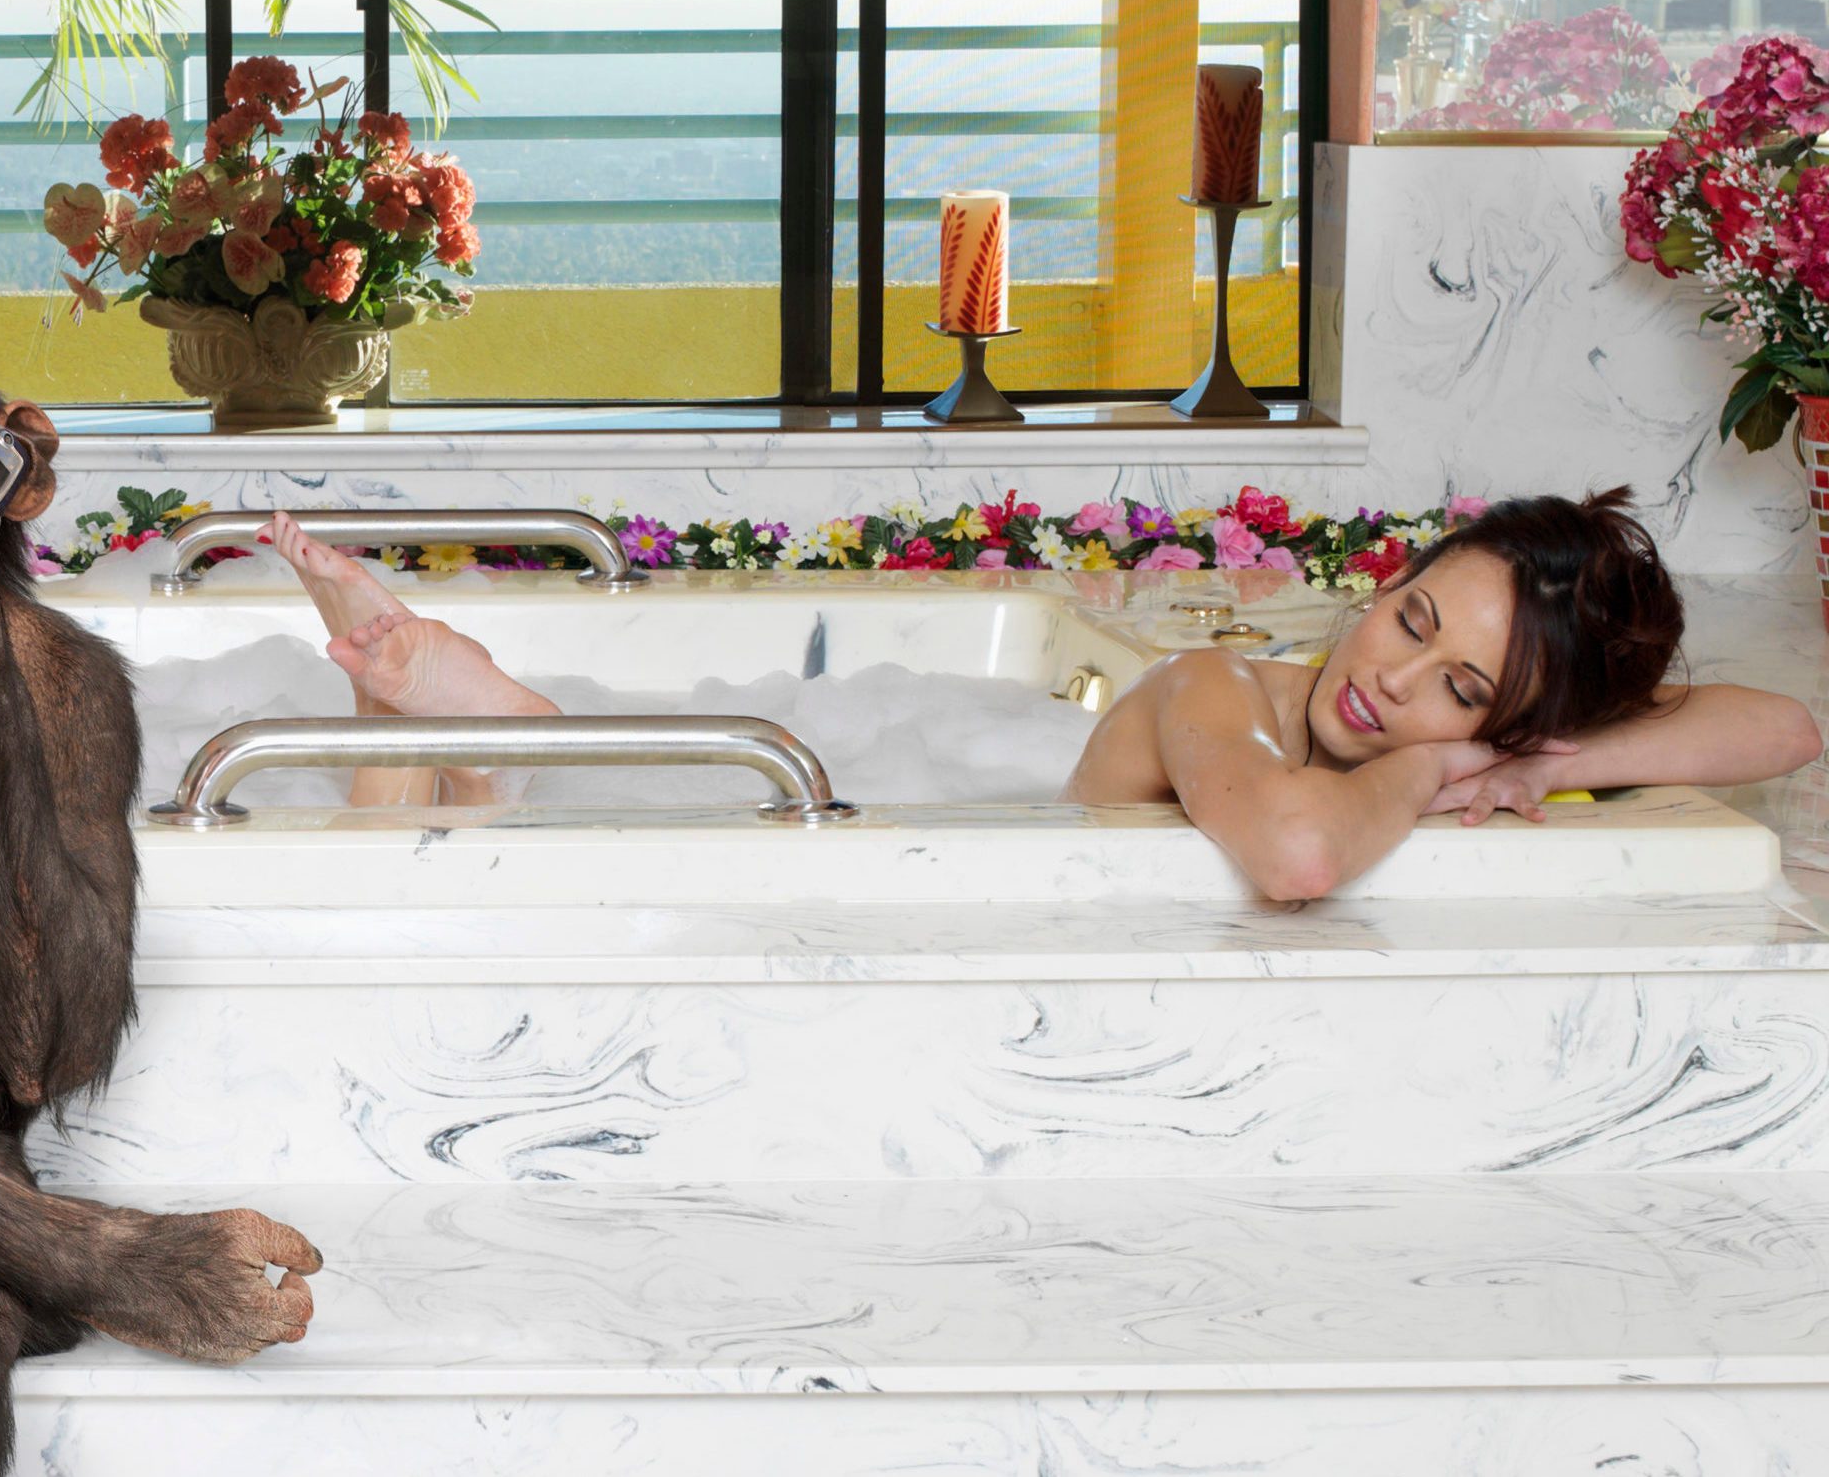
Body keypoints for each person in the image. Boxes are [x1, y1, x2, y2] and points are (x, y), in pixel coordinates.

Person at [262, 494, 1823, 901]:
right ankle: (479, 728)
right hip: (892, 802)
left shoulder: (1480, 738)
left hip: (951, 781)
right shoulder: (1218, 686)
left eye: (1455, 684)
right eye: (1408, 617)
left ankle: (463, 723)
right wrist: (1445, 764)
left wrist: (1532, 759)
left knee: (524, 812)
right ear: (1389, 578)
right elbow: (1295, 855)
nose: (1388, 679)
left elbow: (1786, 725)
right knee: (597, 821)